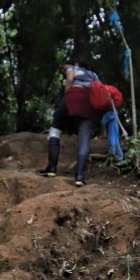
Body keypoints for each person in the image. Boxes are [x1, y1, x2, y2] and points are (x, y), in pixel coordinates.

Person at [40, 58, 101, 186]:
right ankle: (79, 176)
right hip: (88, 104)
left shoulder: (72, 68)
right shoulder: (94, 75)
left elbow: (69, 80)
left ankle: (51, 168)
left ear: (77, 64)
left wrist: (67, 96)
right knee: (84, 140)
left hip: (73, 96)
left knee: (55, 128)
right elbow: (100, 90)